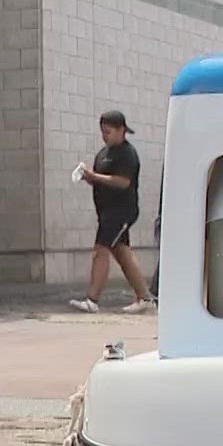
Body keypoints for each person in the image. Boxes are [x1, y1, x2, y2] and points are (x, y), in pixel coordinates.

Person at [69, 109, 155, 314]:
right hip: (106, 212)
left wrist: (95, 176)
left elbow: (122, 182)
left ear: (121, 130)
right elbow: (101, 180)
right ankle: (144, 297)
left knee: (101, 250)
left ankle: (92, 299)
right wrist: (88, 177)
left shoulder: (127, 153)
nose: (104, 136)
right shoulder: (103, 154)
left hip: (121, 211)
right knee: (121, 250)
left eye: (108, 132)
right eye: (102, 132)